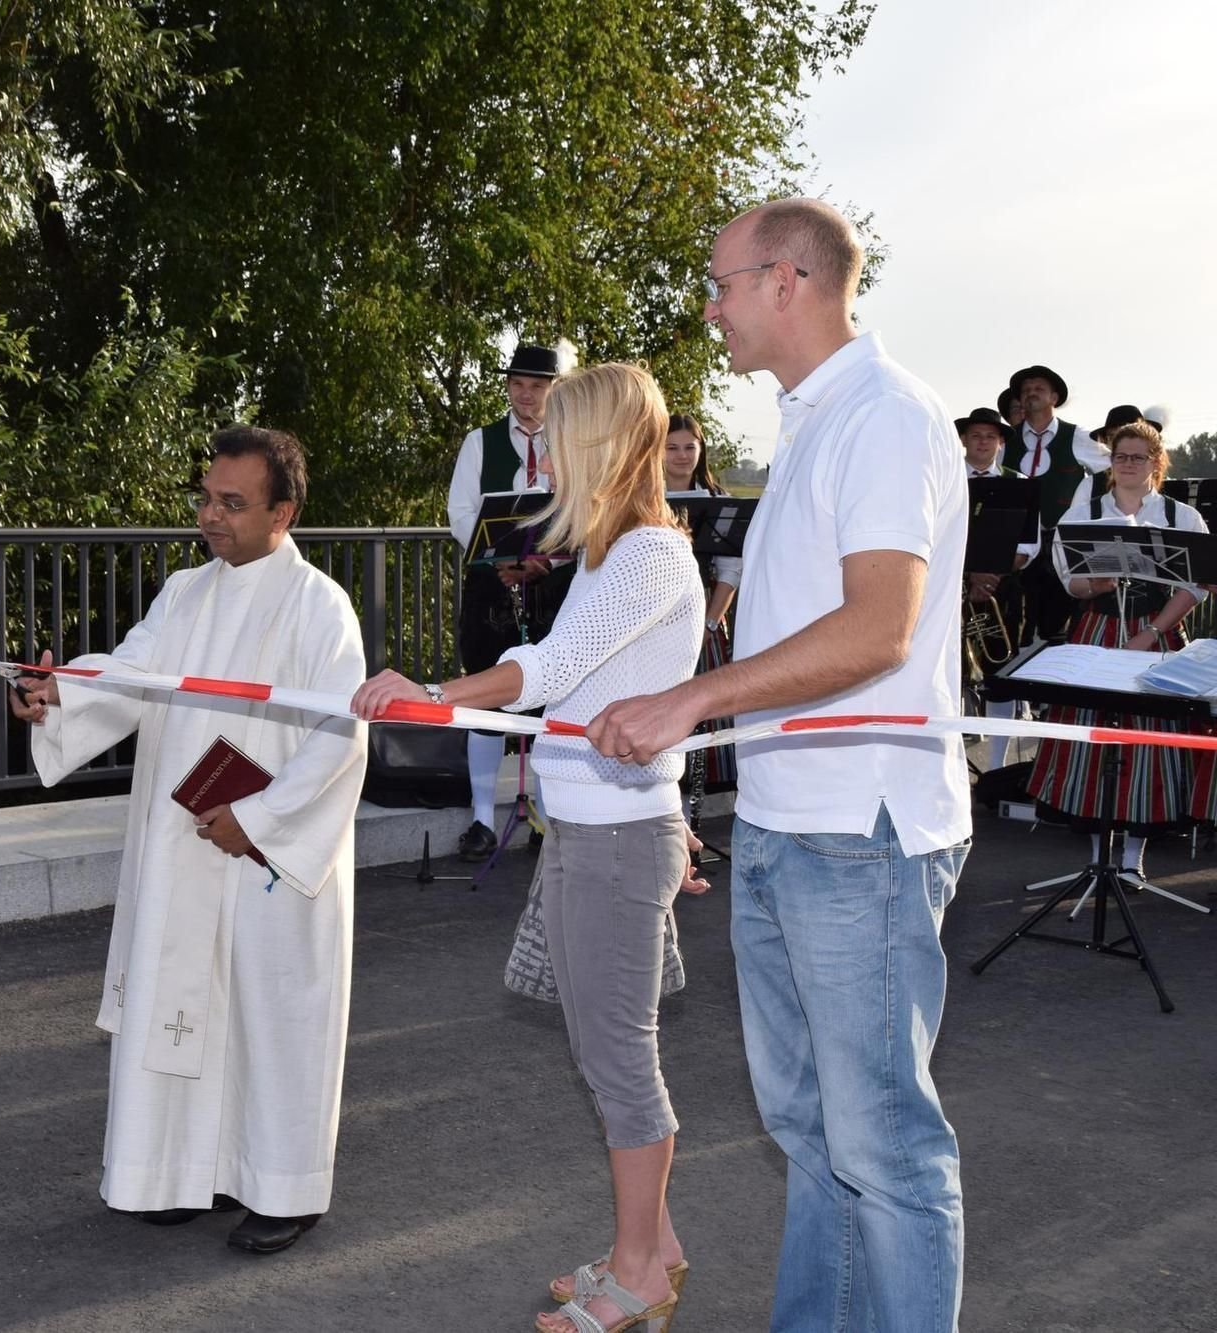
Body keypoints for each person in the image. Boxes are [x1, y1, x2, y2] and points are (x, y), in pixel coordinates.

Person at [589, 197, 972, 1332]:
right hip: (788, 823)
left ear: (787, 281)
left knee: (883, 1147)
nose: (708, 308)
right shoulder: (816, 421)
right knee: (811, 1135)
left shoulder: (885, 418)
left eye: (720, 284)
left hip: (860, 831)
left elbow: (875, 630)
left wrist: (690, 699)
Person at [359, 363, 701, 1333]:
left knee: (616, 1058)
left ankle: (638, 1272)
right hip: (593, 827)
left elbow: (548, 671)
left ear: (601, 445)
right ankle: (652, 1244)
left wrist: (427, 694)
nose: (541, 452)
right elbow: (577, 688)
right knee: (602, 1050)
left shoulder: (640, 553)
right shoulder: (608, 552)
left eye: (557, 435)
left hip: (614, 835)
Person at [11, 426, 368, 1256]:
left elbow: (341, 735)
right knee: (187, 1011)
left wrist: (264, 820)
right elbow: (132, 674)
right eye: (206, 497)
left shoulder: (321, 607)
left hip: (261, 857)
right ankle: (180, 1171)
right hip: (185, 841)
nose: (210, 514)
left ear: (284, 512)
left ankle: (282, 1188)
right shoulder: (184, 592)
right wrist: (59, 694)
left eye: (231, 503)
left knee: (269, 1016)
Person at [1027, 421, 1206, 877]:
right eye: (1120, 456)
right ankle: (1097, 859)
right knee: (1091, 743)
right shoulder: (1086, 509)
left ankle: (1132, 862)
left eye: (1137, 457)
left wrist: (1151, 632)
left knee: (1151, 746)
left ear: (1156, 463)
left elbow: (1198, 584)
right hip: (1098, 629)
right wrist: (1097, 583)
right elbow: (1069, 577)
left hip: (1156, 634)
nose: (1127, 464)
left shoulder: (1179, 516)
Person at [447, 340, 581, 859]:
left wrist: (548, 561)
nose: (527, 395)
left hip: (551, 582)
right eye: (519, 384)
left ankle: (546, 819)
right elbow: (461, 511)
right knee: (483, 692)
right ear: (508, 386)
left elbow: (578, 508)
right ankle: (482, 818)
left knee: (553, 699)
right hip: (490, 581)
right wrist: (494, 558)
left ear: (553, 389)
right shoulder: (479, 442)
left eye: (538, 385)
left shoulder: (570, 442)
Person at [663, 412, 742, 799]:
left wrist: (711, 620)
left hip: (704, 620)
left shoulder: (718, 500)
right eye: (672, 447)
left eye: (689, 447)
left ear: (701, 450)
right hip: (654, 622)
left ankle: (701, 796)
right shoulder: (644, 498)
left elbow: (730, 568)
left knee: (706, 704)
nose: (681, 455)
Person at [1003, 364, 1107, 644]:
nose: (1030, 394)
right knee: (1016, 621)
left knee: (1058, 624)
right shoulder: (1006, 441)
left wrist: (1087, 511)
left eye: (1038, 389)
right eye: (1025, 391)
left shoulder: (1077, 436)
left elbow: (1113, 468)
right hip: (1018, 544)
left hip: (1062, 541)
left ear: (1054, 398)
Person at [959, 406, 1036, 769]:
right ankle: (954, 761)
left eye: (990, 436)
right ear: (963, 440)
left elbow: (1029, 547)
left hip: (1001, 592)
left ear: (1001, 442)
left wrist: (989, 578)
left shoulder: (1019, 483)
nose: (983, 442)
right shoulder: (945, 479)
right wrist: (969, 577)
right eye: (976, 435)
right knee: (950, 672)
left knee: (1001, 672)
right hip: (951, 589)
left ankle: (997, 765)